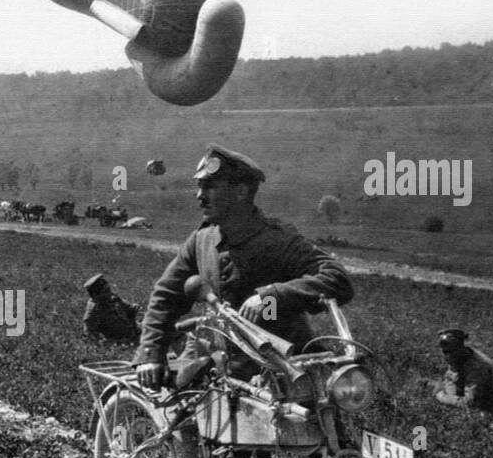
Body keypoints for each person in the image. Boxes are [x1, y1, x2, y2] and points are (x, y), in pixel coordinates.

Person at [134, 143, 353, 389]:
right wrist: (151, 354)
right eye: (199, 186)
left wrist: (272, 297)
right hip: (227, 377)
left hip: (288, 376)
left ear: (240, 192)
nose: (200, 195)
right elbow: (166, 295)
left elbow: (338, 279)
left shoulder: (277, 239)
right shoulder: (202, 240)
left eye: (209, 187)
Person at [434, 328, 493, 413]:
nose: (448, 356)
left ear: (461, 347)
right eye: (445, 352)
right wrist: (449, 393)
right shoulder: (459, 356)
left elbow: (468, 403)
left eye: (452, 351)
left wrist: (441, 396)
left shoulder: (476, 366)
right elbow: (451, 380)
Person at [82, 273, 140, 342]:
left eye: (109, 289)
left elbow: (130, 309)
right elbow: (90, 338)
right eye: (106, 291)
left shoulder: (112, 298)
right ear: (95, 295)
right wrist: (114, 342)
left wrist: (135, 310)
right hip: (125, 341)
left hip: (136, 330)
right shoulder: (93, 312)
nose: (110, 293)